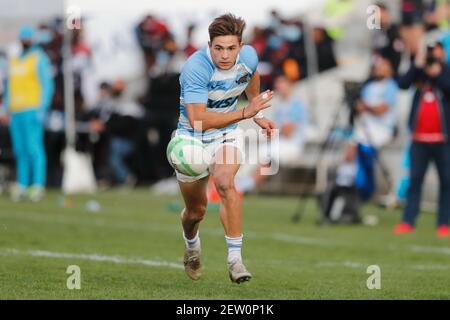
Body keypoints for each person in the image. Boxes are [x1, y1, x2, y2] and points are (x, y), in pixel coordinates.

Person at [173, 13, 276, 283]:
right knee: (196, 212)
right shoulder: (196, 67)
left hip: (226, 134)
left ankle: (235, 260)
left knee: (225, 182)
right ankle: (191, 244)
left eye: (231, 48)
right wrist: (245, 114)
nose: (225, 55)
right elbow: (197, 121)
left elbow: (251, 75)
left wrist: (255, 109)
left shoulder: (250, 56)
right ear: (209, 45)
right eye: (218, 48)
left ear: (240, 47)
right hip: (191, 137)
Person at [394, 39, 450, 237]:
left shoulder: (446, 71)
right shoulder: (419, 72)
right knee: (415, 180)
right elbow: (401, 84)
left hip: (443, 140)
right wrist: (416, 65)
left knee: (446, 181)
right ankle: (408, 220)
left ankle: (444, 223)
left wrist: (438, 74)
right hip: (419, 139)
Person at [2, 26, 54, 202]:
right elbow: (9, 87)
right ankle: (22, 185)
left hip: (32, 109)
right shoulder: (15, 61)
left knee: (34, 149)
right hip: (16, 111)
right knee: (20, 150)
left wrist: (42, 107)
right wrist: (6, 108)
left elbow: (47, 85)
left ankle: (37, 185)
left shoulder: (39, 58)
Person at [236, 73, 309, 194]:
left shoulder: (297, 104)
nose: (279, 86)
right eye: (277, 84)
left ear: (289, 85)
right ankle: (239, 183)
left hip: (292, 145)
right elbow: (277, 130)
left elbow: (288, 131)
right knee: (256, 154)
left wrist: (275, 130)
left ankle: (244, 187)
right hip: (280, 142)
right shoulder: (280, 105)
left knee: (267, 156)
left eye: (281, 83)